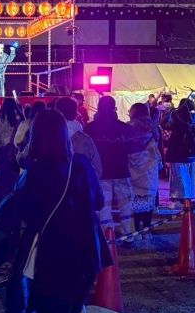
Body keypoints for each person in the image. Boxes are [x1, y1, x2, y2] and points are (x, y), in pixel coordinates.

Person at [0, 110, 106, 313]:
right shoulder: (81, 165)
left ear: (36, 137)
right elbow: (98, 201)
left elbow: (26, 214)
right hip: (87, 256)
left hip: (55, 259)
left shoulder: (36, 172)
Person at [85, 96, 133, 236]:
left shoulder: (90, 128)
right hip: (121, 170)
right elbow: (132, 149)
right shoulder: (125, 128)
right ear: (114, 107)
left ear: (98, 108)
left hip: (101, 172)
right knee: (126, 204)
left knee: (104, 206)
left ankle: (107, 235)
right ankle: (128, 234)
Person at [126, 103, 161, 238]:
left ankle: (136, 229)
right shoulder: (153, 127)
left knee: (136, 197)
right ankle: (147, 229)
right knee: (148, 196)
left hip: (133, 165)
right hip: (150, 165)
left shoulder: (128, 127)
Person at [163, 99, 195, 206]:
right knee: (189, 177)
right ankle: (187, 198)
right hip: (191, 151)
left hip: (177, 152)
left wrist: (170, 111)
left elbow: (164, 124)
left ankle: (179, 199)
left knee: (178, 177)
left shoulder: (176, 117)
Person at [56, 97, 103, 180]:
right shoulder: (85, 139)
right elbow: (96, 169)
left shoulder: (46, 135)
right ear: (75, 113)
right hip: (79, 185)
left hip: (54, 184)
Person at [0, 98, 24, 202]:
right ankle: (11, 199)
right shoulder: (19, 119)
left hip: (2, 150)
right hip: (14, 150)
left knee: (1, 176)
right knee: (12, 176)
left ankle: (0, 200)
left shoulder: (0, 119)